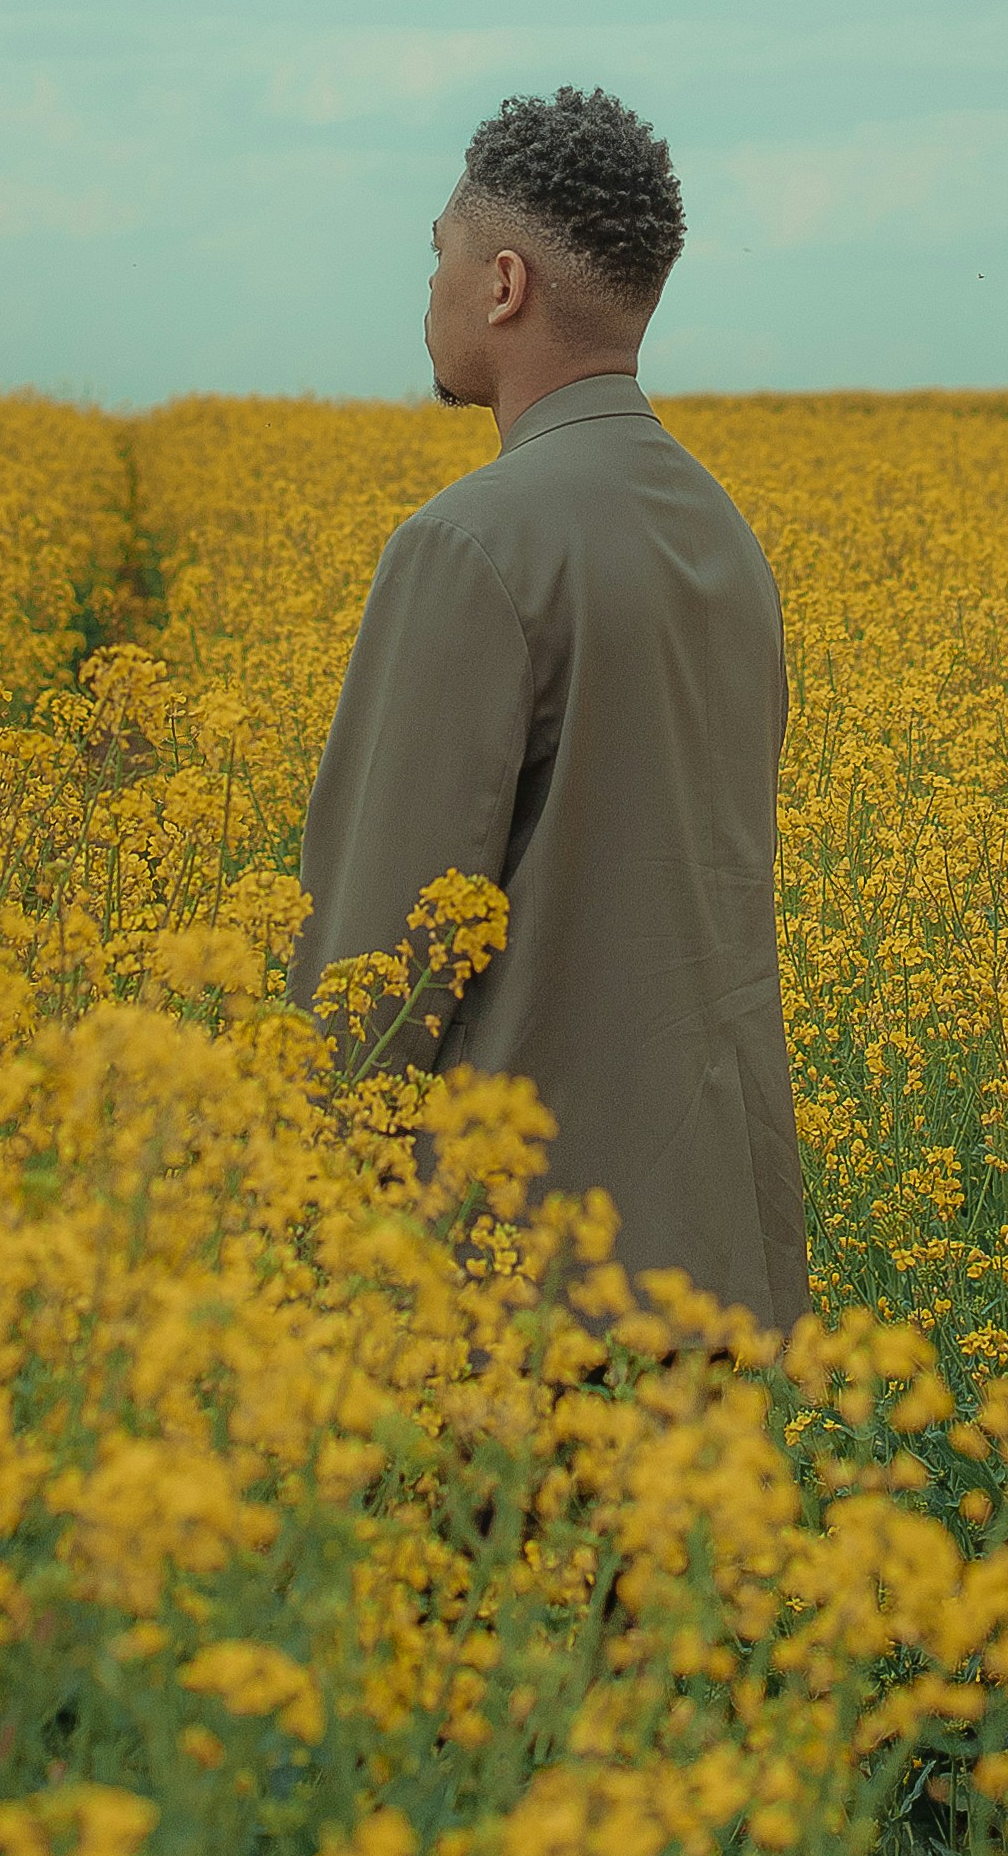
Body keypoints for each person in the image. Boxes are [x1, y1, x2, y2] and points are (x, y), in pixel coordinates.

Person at [289, 85, 811, 1334]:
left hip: (516, 1286)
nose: (427, 288)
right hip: (716, 1268)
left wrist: (299, 1215)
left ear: (502, 284)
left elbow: (380, 956)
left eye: (439, 254)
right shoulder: (725, 540)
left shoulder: (468, 544)